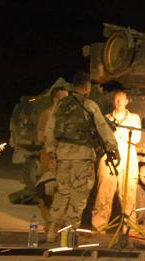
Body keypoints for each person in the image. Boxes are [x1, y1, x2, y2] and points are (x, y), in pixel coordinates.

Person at [44, 72, 118, 242]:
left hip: (63, 155)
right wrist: (113, 147)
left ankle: (52, 230)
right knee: (78, 195)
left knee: (62, 192)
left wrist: (52, 152)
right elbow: (103, 128)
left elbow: (50, 130)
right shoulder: (90, 105)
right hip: (82, 156)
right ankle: (69, 234)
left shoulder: (61, 105)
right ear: (87, 87)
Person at [91, 90, 141, 233]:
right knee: (104, 193)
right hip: (109, 159)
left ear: (127, 101)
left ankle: (130, 228)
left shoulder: (134, 118)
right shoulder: (106, 118)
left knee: (128, 195)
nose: (119, 102)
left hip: (128, 158)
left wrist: (115, 133)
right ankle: (98, 227)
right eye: (116, 100)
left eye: (121, 100)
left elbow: (136, 137)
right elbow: (101, 137)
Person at [35, 86, 68, 223]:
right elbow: (40, 137)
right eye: (64, 97)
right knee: (48, 190)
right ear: (55, 99)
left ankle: (57, 221)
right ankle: (49, 221)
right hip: (49, 155)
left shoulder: (63, 116)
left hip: (62, 156)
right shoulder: (47, 114)